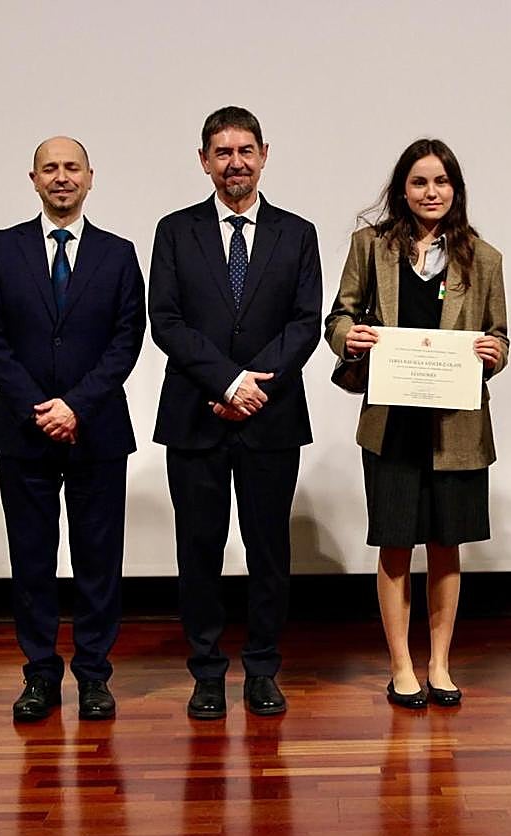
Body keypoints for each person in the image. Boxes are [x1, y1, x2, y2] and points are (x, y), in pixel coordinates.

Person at [149, 106, 322, 720]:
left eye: (245, 150)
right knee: (198, 549)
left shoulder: (298, 233)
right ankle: (206, 672)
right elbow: (165, 320)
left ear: (264, 154)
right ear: (203, 161)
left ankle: (263, 669)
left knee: (268, 549)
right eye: (222, 152)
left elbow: (305, 323)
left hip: (271, 418)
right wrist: (225, 382)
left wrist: (255, 388)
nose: (235, 162)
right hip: (196, 414)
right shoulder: (174, 231)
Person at [325, 139, 508, 709]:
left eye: (441, 182)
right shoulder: (370, 246)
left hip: (456, 424)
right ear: (402, 190)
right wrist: (346, 338)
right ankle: (401, 666)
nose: (431, 193)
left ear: (455, 190)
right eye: (419, 182)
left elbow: (500, 337)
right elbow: (339, 315)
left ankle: (441, 664)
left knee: (447, 545)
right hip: (391, 422)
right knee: (396, 545)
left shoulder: (485, 257)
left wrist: (493, 354)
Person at [0, 136, 146, 722]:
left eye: (73, 167)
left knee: (99, 559)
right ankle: (40, 675)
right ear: (34, 179)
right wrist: (39, 407)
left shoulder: (119, 254)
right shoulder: (2, 249)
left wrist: (76, 406)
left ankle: (95, 676)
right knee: (32, 560)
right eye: (51, 168)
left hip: (97, 431)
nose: (62, 177)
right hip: (23, 434)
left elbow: (127, 342)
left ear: (91, 177)